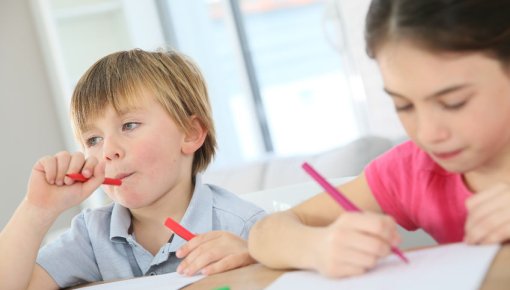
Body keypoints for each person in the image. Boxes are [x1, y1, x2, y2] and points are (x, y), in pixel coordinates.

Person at [249, 0, 510, 278]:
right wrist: (318, 247)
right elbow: (265, 234)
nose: (428, 133)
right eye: (404, 105)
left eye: (453, 102)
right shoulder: (414, 170)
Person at [0, 49, 265, 290]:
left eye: (129, 125)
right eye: (93, 139)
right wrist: (36, 210)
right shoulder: (92, 235)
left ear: (190, 133)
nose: (108, 151)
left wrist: (255, 261)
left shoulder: (243, 229)